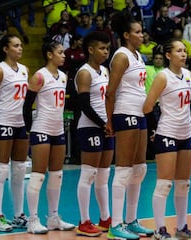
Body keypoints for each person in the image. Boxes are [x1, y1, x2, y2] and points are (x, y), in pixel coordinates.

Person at [105, 11, 154, 239]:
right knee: (123, 170)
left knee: (140, 168)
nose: (141, 35)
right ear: (126, 35)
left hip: (139, 114)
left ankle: (131, 219)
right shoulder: (121, 56)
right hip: (124, 113)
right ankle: (116, 225)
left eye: (141, 31)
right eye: (137, 32)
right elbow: (110, 92)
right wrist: (109, 120)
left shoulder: (138, 56)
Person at [143, 38, 191, 239]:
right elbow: (147, 107)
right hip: (167, 133)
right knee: (164, 184)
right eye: (179, 51)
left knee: (184, 183)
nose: (183, 54)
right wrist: (156, 127)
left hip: (186, 134)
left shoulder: (188, 74)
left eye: (185, 50)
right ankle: (159, 229)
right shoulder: (163, 77)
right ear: (168, 55)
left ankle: (181, 227)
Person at [23, 41, 75, 234]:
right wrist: (29, 130)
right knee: (38, 175)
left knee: (57, 175)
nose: (64, 55)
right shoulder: (39, 76)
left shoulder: (62, 76)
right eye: (60, 52)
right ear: (49, 55)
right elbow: (27, 106)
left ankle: (53, 217)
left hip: (58, 130)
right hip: (42, 129)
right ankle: (33, 220)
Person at [0, 34, 29, 232]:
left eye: (20, 45)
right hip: (2, 121)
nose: (20, 49)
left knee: (19, 169)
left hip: (19, 123)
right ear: (6, 49)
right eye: (16, 46)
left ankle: (19, 215)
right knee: (1, 169)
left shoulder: (25, 70)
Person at [74, 31, 114, 237]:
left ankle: (105, 219)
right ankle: (84, 221)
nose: (106, 52)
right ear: (90, 50)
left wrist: (110, 122)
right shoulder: (85, 72)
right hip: (90, 127)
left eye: (107, 48)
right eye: (101, 48)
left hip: (106, 126)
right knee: (89, 174)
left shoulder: (105, 71)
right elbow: (83, 105)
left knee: (103, 176)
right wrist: (103, 124)